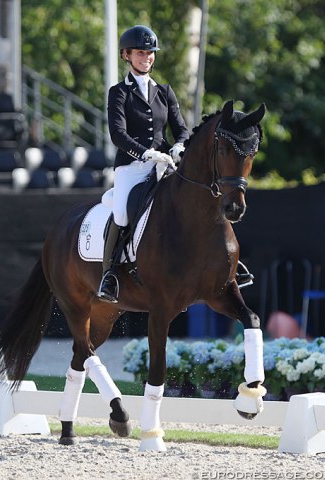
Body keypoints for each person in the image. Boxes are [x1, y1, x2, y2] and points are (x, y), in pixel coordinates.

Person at [96, 25, 190, 303]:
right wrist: (146, 153)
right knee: (123, 213)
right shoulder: (119, 93)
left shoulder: (164, 91)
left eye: (150, 53)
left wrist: (179, 145)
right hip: (132, 167)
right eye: (140, 52)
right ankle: (109, 274)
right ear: (126, 55)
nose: (146, 57)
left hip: (164, 165)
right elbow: (118, 134)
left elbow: (181, 129)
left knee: (194, 198)